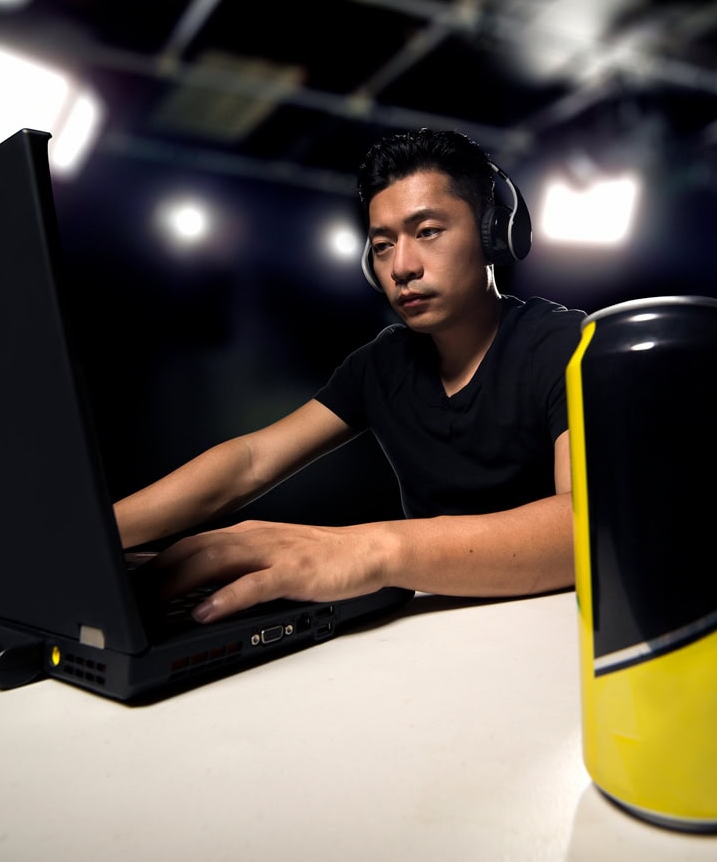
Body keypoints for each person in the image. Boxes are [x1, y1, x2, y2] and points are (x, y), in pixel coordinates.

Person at [117, 128, 588, 623]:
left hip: (558, 624)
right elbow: (250, 462)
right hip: (439, 626)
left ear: (494, 233)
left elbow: (583, 523)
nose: (401, 266)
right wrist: (95, 536)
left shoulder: (563, 344)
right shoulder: (381, 365)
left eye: (428, 231)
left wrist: (370, 549)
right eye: (382, 245)